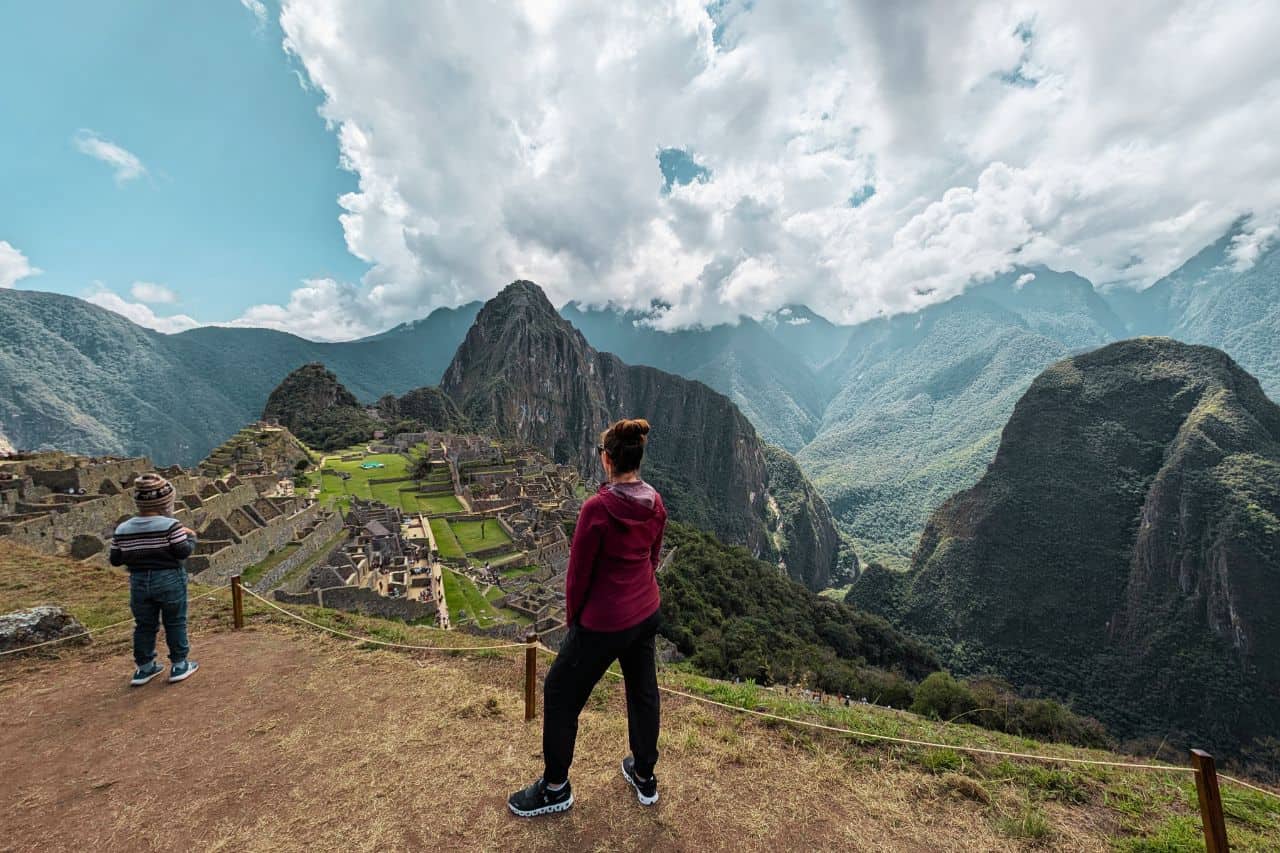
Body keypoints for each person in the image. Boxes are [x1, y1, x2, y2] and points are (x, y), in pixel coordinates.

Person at [508, 418, 667, 818]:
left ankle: (555, 787)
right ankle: (644, 775)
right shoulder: (655, 502)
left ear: (607, 460)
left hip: (604, 622)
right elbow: (653, 558)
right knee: (643, 692)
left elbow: (578, 575)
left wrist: (574, 620)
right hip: (645, 611)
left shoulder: (597, 508)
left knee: (560, 692)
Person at [109, 473, 199, 687]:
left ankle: (144, 668)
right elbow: (182, 552)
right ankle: (179, 664)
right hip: (169, 579)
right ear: (167, 503)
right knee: (175, 621)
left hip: (139, 582)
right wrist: (191, 536)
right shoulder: (171, 525)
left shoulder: (123, 529)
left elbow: (115, 559)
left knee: (144, 625)